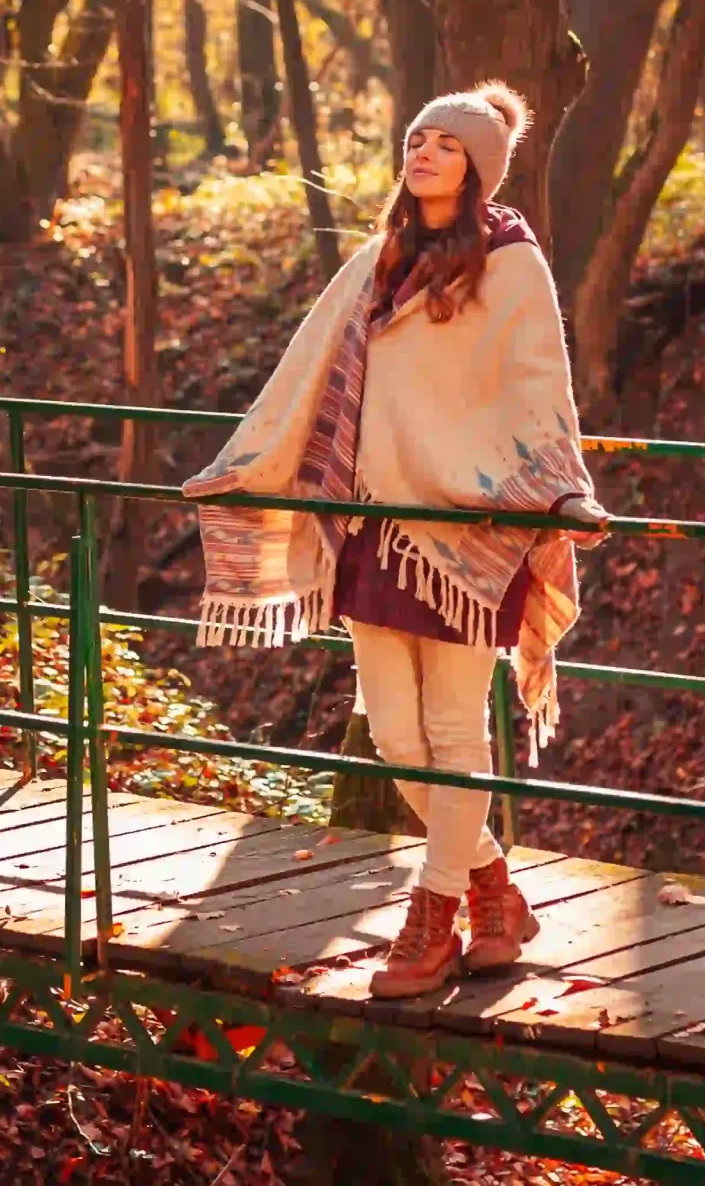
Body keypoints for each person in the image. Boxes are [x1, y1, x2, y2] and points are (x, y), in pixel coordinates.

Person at [182, 82, 609, 999]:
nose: (421, 152)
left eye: (444, 145)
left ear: (477, 167)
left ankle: (433, 915)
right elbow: (305, 373)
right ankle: (494, 890)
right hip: (376, 525)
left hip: (468, 528)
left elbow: (542, 387)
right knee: (392, 731)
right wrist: (246, 462)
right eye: (416, 137)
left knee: (453, 731)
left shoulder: (512, 263)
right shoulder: (379, 260)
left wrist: (564, 490)